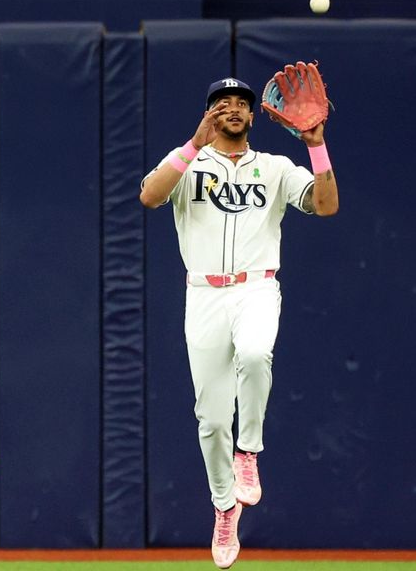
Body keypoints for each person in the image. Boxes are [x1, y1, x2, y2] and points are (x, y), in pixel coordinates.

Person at [140, 76, 339, 569]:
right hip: (204, 293)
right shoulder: (189, 163)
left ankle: (249, 451)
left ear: (254, 117)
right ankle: (224, 506)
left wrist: (317, 147)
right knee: (209, 420)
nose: (232, 108)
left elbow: (326, 204)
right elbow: (149, 195)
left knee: (254, 353)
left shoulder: (273, 168)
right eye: (221, 103)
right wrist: (193, 144)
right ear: (209, 113)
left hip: (255, 285)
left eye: (241, 104)